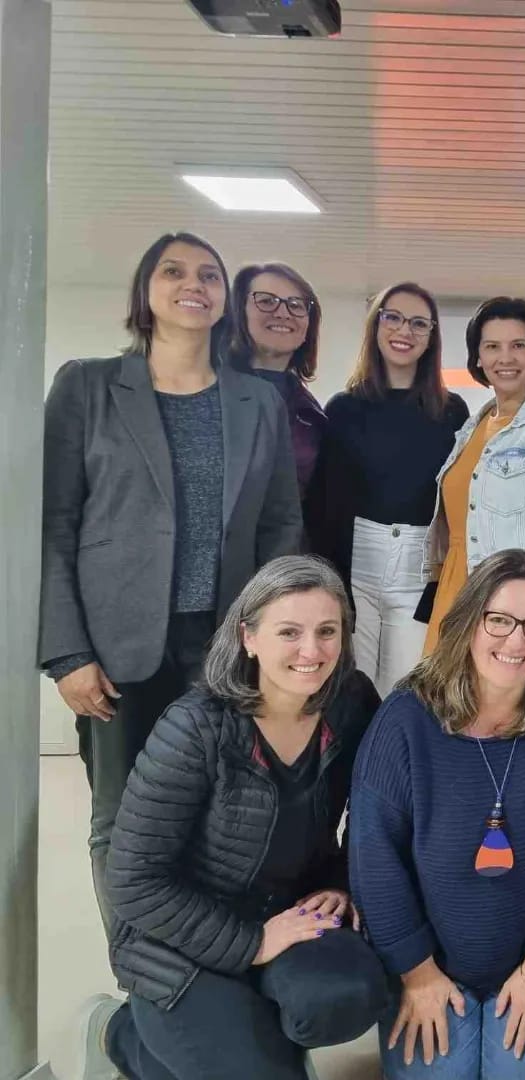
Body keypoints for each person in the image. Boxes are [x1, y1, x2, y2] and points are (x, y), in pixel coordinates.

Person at [39, 231, 303, 934]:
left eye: (210, 275)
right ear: (145, 292)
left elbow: (280, 525)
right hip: (116, 648)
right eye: (174, 271)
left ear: (225, 300)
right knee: (122, 817)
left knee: (222, 812)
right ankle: (139, 970)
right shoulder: (88, 387)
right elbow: (54, 525)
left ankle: (204, 959)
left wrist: (272, 639)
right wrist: (66, 653)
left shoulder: (256, 401)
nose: (194, 285)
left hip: (224, 644)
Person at [76, 555, 388, 1080]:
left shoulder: (352, 703)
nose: (311, 651)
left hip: (290, 911)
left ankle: (236, 1037)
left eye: (327, 631)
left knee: (347, 997)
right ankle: (119, 1032)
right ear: (249, 637)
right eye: (289, 632)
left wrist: (342, 881)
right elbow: (131, 880)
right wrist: (253, 943)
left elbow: (376, 811)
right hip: (178, 942)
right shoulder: (195, 727)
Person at [349, 549, 525, 1079]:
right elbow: (373, 856)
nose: (516, 642)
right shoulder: (406, 717)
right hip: (427, 967)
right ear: (470, 621)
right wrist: (417, 974)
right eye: (499, 620)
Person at [306, 282, 469, 696]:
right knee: (347, 690)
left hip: (418, 565)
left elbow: (456, 506)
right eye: (393, 317)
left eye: (419, 323)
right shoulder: (343, 408)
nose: (404, 331)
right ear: (375, 325)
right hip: (355, 563)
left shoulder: (451, 412)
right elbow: (325, 507)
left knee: (404, 693)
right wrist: (329, 582)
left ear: (431, 336)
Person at [424, 297, 525, 682]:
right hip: (461, 594)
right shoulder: (474, 425)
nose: (505, 357)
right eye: (492, 346)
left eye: (518, 345)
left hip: (524, 608)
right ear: (478, 358)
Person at [229, 261, 328, 497]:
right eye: (266, 301)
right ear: (239, 312)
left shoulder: (312, 416)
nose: (283, 313)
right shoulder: (205, 392)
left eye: (295, 305)